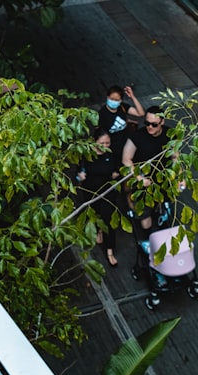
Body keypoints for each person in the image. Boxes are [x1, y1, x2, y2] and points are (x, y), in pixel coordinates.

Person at [77, 129, 123, 267]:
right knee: (95, 214)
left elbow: (118, 170)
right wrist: (80, 176)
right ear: (94, 141)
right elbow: (78, 171)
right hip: (91, 191)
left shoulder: (112, 153)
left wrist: (116, 174)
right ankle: (98, 231)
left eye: (107, 143)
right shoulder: (86, 155)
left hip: (108, 192)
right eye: (101, 143)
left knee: (109, 220)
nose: (105, 146)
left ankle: (110, 251)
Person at [97, 84, 145, 159]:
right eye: (111, 99)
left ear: (121, 100)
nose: (113, 101)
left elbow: (140, 113)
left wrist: (132, 97)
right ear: (107, 97)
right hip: (113, 149)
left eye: (116, 100)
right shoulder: (102, 114)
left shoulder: (122, 107)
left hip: (127, 143)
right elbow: (100, 133)